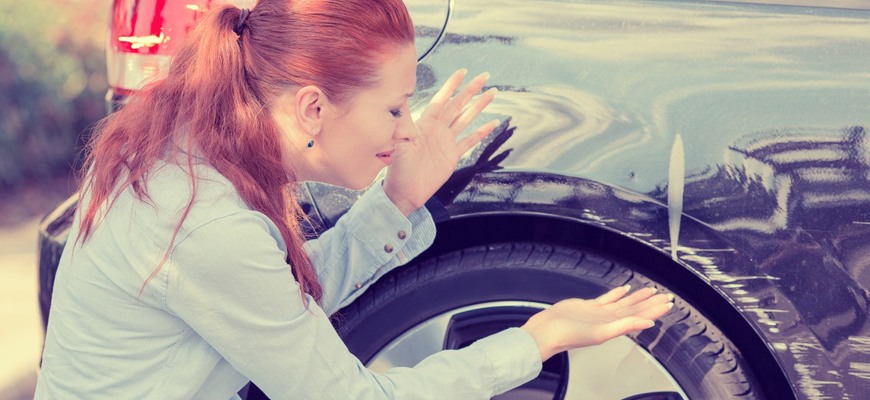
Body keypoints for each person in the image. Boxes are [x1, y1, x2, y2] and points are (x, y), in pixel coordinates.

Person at [35, 0, 673, 398]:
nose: (407, 128)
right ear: (312, 106)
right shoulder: (205, 225)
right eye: (395, 107)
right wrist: (535, 340)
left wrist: (394, 205)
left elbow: (277, 310)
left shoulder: (188, 151)